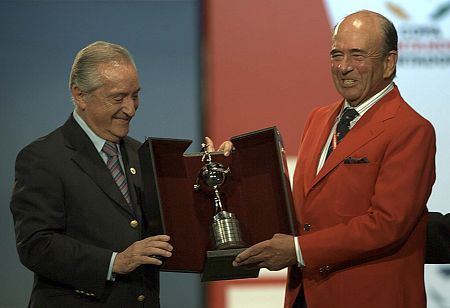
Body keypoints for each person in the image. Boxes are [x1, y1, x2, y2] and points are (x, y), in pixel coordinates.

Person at [232, 10, 436, 308]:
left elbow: (386, 224)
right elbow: (304, 207)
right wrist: (238, 172)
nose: (343, 67)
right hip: (305, 294)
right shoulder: (319, 118)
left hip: (370, 297)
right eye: (336, 54)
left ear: (389, 62)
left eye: (357, 55)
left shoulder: (411, 129)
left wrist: (299, 250)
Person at [10, 41, 231, 308]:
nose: (131, 108)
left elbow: (177, 229)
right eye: (118, 98)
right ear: (80, 95)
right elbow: (36, 245)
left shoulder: (142, 154)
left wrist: (215, 177)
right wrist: (115, 262)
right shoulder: (43, 157)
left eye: (135, 95)